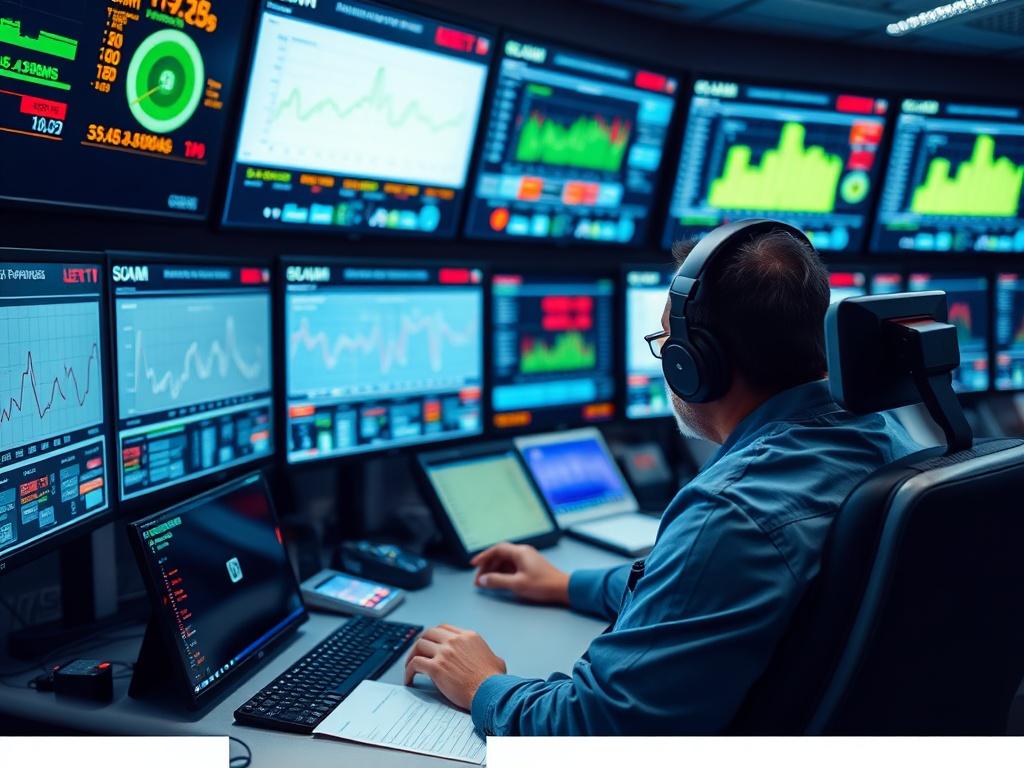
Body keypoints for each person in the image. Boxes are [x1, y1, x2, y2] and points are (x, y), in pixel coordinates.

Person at [404, 224, 920, 735]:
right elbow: (699, 595)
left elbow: (594, 731)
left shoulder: (731, 513)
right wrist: (565, 585)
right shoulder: (881, 434)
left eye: (666, 341)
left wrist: (481, 684)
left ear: (693, 364)